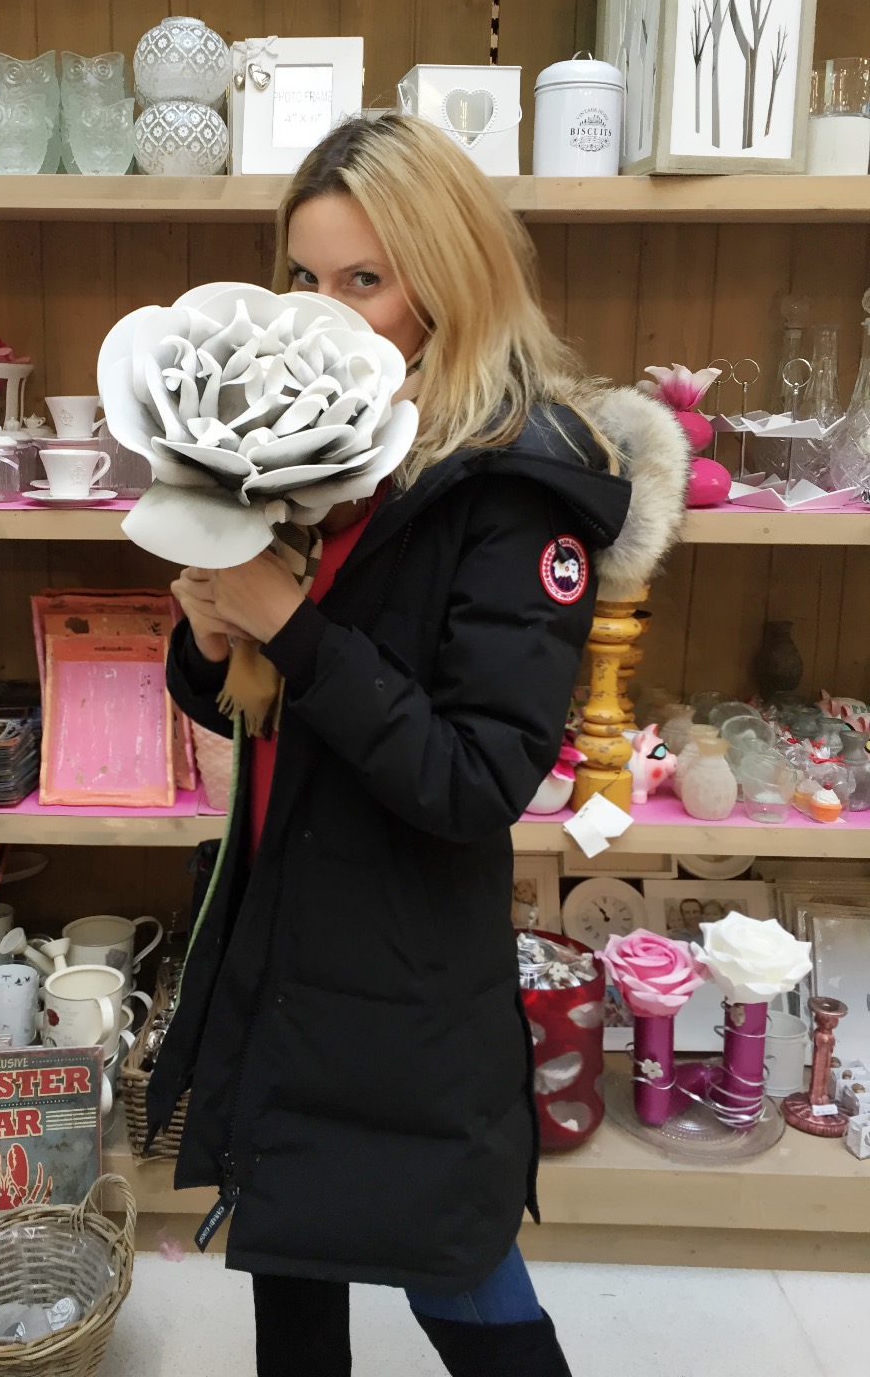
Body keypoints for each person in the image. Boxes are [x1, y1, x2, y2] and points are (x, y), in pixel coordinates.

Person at [146, 113, 686, 1377]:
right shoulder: (313, 446)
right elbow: (246, 704)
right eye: (303, 275)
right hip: (288, 930)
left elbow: (477, 779)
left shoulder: (512, 488)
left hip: (401, 976)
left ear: (447, 284)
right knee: (289, 1246)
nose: (322, 311)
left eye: (365, 279)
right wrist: (212, 637)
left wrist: (292, 623)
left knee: (461, 1267)